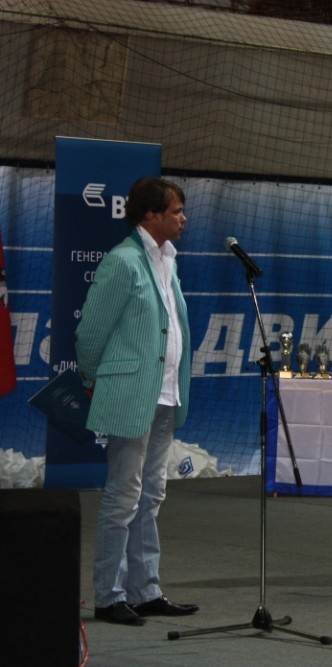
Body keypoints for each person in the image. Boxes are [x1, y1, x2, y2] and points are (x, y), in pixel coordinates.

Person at [76, 177, 198, 626]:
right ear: (151, 214)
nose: (183, 219)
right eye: (176, 211)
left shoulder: (168, 259)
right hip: (133, 393)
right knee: (123, 495)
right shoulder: (123, 261)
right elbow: (91, 331)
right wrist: (93, 378)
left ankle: (145, 590)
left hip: (165, 394)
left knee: (151, 494)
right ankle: (108, 595)